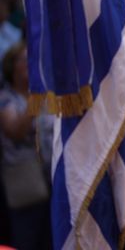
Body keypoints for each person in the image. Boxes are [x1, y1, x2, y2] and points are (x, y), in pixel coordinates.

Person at [0, 42, 53, 250]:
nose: (31, 64)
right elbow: (15, 131)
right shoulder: (5, 100)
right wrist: (35, 99)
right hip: (24, 183)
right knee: (26, 239)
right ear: (12, 66)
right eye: (24, 59)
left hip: (50, 179)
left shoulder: (48, 98)